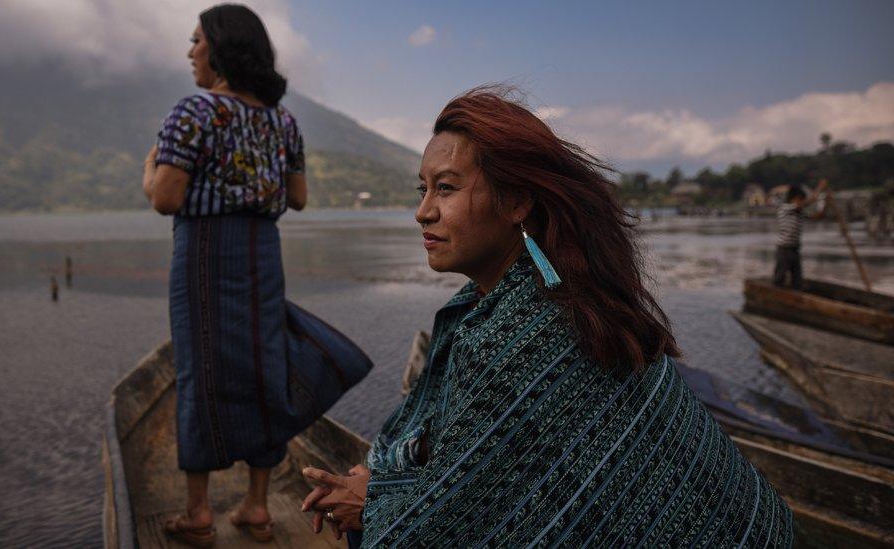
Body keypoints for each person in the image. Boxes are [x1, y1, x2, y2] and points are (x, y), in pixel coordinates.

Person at [302, 88, 792, 547]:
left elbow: (438, 528)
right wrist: (381, 482)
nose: (422, 212)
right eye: (422, 189)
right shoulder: (573, 290)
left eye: (446, 188)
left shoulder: (520, 337)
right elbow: (470, 463)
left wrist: (373, 505)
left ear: (517, 202)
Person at [142, 4, 372, 546]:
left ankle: (199, 514)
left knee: (200, 370)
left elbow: (165, 199)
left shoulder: (191, 113)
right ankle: (257, 507)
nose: (189, 50)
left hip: (203, 254)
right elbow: (299, 198)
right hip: (262, 255)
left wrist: (149, 169)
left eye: (196, 40)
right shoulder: (283, 120)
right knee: (265, 367)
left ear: (219, 48)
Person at [774, 179, 828, 288]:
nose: (800, 202)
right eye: (799, 199)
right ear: (793, 198)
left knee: (797, 280)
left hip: (795, 249)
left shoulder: (799, 212)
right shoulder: (785, 208)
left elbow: (817, 217)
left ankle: (795, 292)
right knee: (779, 278)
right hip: (784, 249)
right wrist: (820, 188)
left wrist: (825, 203)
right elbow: (808, 202)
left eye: (801, 200)